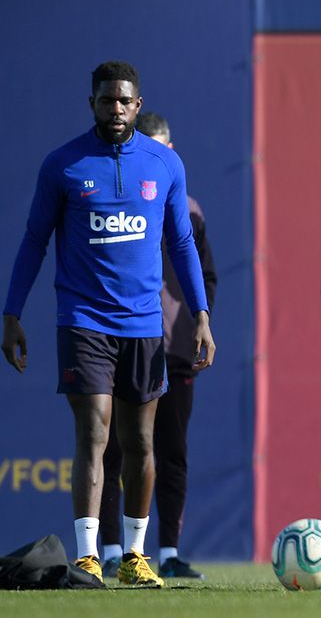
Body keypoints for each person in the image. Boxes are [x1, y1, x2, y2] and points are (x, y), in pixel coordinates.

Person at [2, 62, 216, 589]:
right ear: (91, 103)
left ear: (137, 104)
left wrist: (201, 315)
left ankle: (136, 557)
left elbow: (182, 244)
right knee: (94, 431)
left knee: (141, 441)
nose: (115, 110)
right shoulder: (64, 165)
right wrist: (11, 314)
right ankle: (88, 556)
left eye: (124, 102)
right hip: (83, 319)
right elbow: (34, 241)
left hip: (144, 325)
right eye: (105, 101)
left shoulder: (164, 163)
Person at [95, 112, 217, 580]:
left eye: (168, 149)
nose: (160, 157)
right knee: (111, 449)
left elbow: (205, 276)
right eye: (153, 148)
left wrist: (198, 324)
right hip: (122, 336)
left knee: (171, 451)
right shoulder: (113, 197)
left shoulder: (191, 210)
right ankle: (108, 548)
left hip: (175, 349)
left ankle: (165, 552)